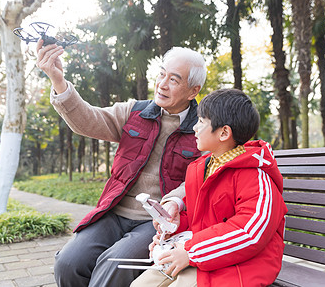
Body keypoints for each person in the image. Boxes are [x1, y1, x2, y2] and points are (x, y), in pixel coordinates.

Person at [35, 40, 207, 287]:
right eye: (161, 74)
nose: (162, 84)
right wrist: (58, 80)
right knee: (69, 262)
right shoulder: (134, 112)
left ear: (193, 91)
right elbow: (87, 119)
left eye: (174, 79)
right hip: (114, 213)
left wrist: (175, 201)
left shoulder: (202, 127)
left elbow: (201, 175)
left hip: (156, 222)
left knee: (114, 263)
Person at [131, 88, 288, 287]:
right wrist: (172, 230)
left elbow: (250, 232)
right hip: (205, 256)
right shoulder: (203, 168)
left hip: (242, 265)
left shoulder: (256, 176)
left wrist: (189, 251)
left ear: (224, 133)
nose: (195, 128)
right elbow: (202, 220)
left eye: (201, 122)